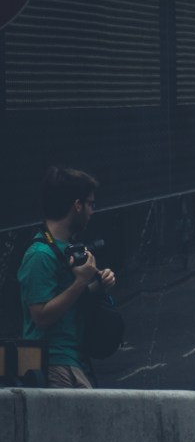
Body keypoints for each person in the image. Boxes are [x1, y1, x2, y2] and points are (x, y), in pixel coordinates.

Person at [19, 167, 117, 389]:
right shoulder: (39, 255)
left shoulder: (68, 248)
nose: (92, 211)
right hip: (53, 364)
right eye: (91, 204)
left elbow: (69, 302)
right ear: (77, 206)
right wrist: (81, 281)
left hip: (73, 360)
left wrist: (97, 286)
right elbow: (41, 316)